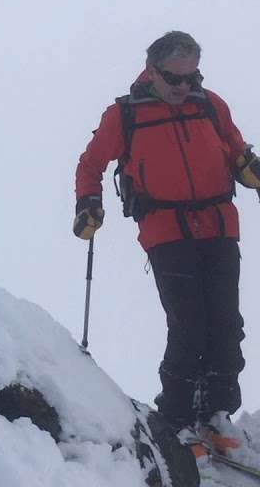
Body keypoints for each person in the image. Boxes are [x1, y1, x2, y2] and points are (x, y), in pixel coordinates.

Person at [75, 30, 259, 457]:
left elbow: (235, 149)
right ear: (152, 70)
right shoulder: (124, 114)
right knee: (189, 326)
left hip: (219, 225)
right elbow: (90, 164)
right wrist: (88, 202)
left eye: (191, 77)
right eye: (174, 78)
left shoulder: (210, 104)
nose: (183, 87)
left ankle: (215, 413)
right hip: (166, 230)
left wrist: (250, 167)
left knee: (226, 326)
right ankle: (176, 420)